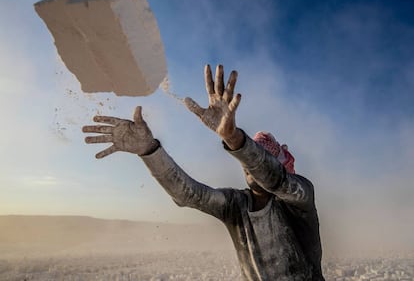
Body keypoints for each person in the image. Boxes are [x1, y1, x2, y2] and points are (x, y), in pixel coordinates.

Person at [82, 65, 324, 280]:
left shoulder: (298, 198)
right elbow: (189, 194)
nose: (250, 165)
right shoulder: (236, 205)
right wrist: (149, 150)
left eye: (261, 157)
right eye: (248, 157)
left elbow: (276, 179)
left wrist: (233, 138)